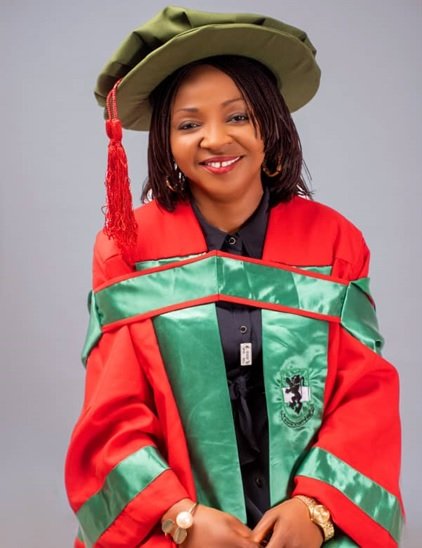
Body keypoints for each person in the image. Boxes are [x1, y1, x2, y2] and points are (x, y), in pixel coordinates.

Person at [65, 6, 403, 547]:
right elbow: (112, 414)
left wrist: (315, 509)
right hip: (176, 529)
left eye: (239, 116)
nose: (215, 139)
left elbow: (364, 397)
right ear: (165, 139)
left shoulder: (334, 242)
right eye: (189, 124)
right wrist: (180, 517)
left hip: (310, 527)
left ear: (272, 122)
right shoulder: (128, 247)